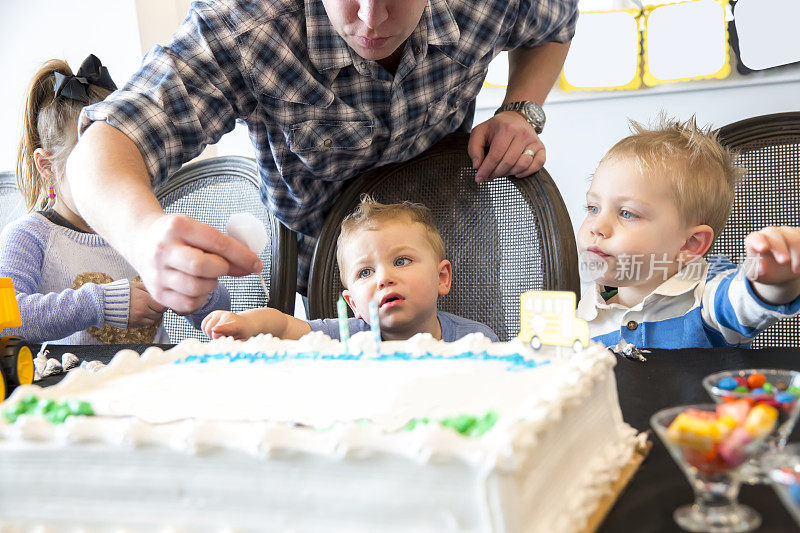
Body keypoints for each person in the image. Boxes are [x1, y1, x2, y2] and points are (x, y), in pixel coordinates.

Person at [65, 0, 579, 315]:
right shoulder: (248, 24)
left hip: (458, 241)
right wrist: (141, 234)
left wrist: (521, 108)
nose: (371, 18)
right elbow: (103, 146)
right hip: (331, 275)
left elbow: (556, 20)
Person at [0, 55, 229, 344]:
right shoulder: (30, 236)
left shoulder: (144, 227)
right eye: (93, 165)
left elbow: (219, 315)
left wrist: (197, 288)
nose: (110, 176)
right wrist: (100, 303)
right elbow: (7, 320)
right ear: (47, 166)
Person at [575, 116, 800, 349]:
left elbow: (746, 299)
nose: (597, 227)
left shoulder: (709, 297)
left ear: (689, 244)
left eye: (627, 213)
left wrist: (774, 279)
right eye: (593, 208)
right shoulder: (587, 311)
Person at [202, 196, 498, 341]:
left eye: (401, 261)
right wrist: (244, 324)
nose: (384, 278)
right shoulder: (346, 336)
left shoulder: (476, 342)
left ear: (441, 278)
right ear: (353, 303)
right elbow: (282, 325)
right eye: (365, 273)